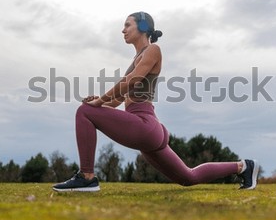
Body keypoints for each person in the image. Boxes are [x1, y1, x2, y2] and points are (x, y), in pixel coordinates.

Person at [52, 12, 259, 192]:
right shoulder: (136, 59)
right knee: (188, 177)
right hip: (149, 129)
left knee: (83, 112)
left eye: (127, 25)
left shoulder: (152, 50)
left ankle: (87, 177)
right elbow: (117, 101)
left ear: (142, 27)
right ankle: (243, 166)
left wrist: (98, 103)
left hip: (144, 124)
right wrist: (99, 102)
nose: (122, 30)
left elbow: (132, 80)